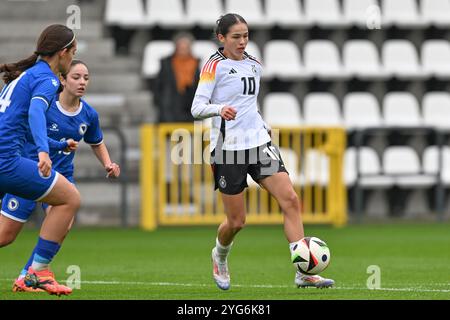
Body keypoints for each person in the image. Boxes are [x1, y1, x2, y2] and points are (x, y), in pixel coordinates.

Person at [191, 14, 335, 290]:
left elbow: (248, 105)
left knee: (290, 199)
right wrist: (219, 109)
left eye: (245, 35)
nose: (243, 41)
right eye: (236, 36)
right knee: (237, 221)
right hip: (228, 150)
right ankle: (219, 256)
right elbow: (197, 108)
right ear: (221, 38)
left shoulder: (255, 65)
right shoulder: (213, 66)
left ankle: (303, 271)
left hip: (258, 144)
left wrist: (263, 125)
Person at [0, 59, 121, 293]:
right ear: (62, 80)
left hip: (61, 176)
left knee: (63, 223)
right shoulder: (43, 105)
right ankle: (34, 274)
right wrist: (58, 144)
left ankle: (29, 275)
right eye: (76, 77)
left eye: (86, 78)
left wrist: (108, 163)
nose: (82, 82)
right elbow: (31, 135)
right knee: (5, 236)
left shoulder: (88, 114)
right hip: (31, 171)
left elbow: (97, 142)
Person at [0, 24, 80, 296]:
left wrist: (51, 145)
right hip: (7, 161)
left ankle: (31, 275)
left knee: (5, 235)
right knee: (70, 198)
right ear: (63, 52)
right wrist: (44, 152)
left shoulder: (25, 76)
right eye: (73, 52)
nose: (73, 58)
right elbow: (36, 112)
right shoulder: (47, 79)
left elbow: (17, 121)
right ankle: (38, 272)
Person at [155, 32, 200, 123]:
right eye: (181, 46)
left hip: (190, 105)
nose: (183, 49)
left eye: (186, 47)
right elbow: (159, 86)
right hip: (170, 106)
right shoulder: (166, 63)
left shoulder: (196, 63)